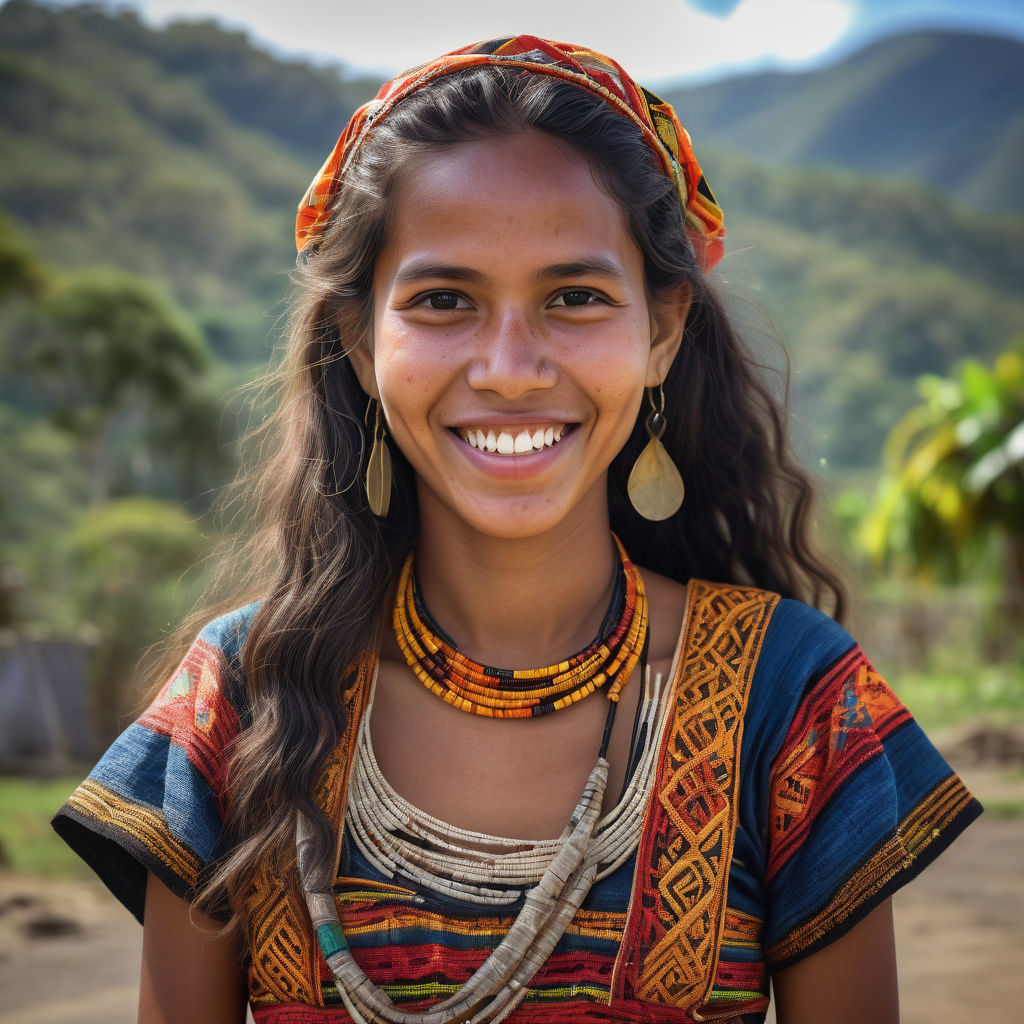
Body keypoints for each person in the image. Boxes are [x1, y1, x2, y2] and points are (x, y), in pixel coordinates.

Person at [53, 35, 981, 1024]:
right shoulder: (238, 700)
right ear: (362, 342)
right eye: (443, 299)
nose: (507, 366)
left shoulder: (787, 699)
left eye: (573, 297)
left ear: (661, 330)